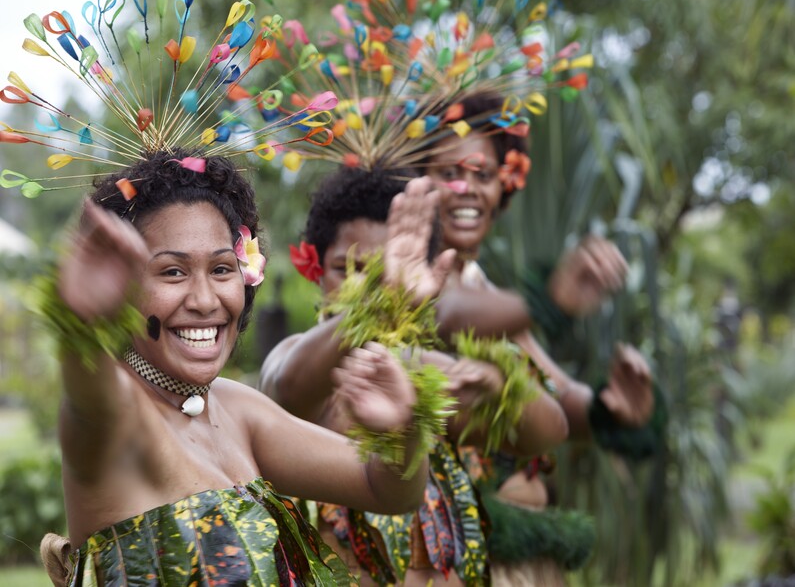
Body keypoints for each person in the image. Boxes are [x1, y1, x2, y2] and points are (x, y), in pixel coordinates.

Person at [39, 149, 433, 586]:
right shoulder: (120, 415)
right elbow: (88, 396)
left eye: (222, 268)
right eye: (172, 272)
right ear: (123, 286)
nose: (206, 300)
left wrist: (405, 429)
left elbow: (386, 488)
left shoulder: (237, 409)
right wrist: (81, 327)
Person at [260, 166, 569, 585]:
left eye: (384, 272)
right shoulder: (299, 362)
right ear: (314, 268)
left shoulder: (426, 370)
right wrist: (383, 302)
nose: (366, 287)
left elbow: (550, 429)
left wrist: (499, 386)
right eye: (346, 270)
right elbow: (287, 385)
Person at [421, 93, 659, 585]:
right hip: (447, 557)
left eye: (483, 175)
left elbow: (558, 395)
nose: (468, 190)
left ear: (504, 183)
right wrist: (546, 300)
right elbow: (447, 317)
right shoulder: (407, 279)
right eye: (449, 174)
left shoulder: (484, 287)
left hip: (517, 555)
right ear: (415, 184)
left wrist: (609, 410)